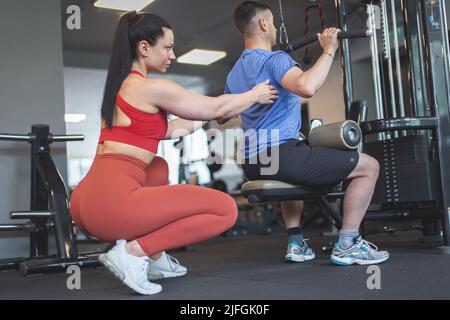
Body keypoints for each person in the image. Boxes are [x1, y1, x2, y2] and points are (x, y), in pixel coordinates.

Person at [69, 10, 279, 295]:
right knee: (225, 210)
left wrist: (212, 114)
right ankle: (134, 252)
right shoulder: (151, 87)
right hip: (110, 204)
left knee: (158, 165)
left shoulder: (122, 89)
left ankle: (153, 257)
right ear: (144, 48)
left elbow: (169, 131)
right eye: (167, 47)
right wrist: (254, 94)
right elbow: (217, 107)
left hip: (86, 201)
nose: (172, 55)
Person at [225, 1, 389, 266]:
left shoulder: (234, 73)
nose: (276, 29)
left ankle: (295, 242)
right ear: (264, 24)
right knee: (368, 167)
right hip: (282, 154)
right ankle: (348, 243)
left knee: (293, 177)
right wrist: (329, 50)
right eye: (274, 23)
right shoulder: (275, 59)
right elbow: (307, 86)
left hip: (253, 162)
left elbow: (222, 114)